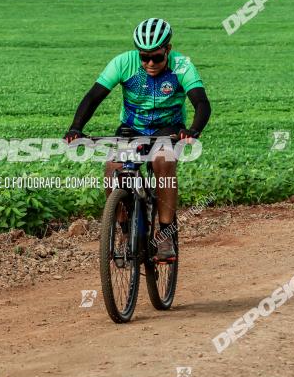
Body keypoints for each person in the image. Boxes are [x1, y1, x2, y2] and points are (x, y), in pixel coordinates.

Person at [64, 18, 211, 261]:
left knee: (163, 161)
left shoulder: (182, 66)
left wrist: (193, 130)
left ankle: (165, 236)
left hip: (168, 127)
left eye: (156, 57)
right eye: (144, 57)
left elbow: (202, 103)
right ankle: (124, 231)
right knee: (113, 168)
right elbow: (93, 97)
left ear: (168, 49)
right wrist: (76, 128)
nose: (150, 63)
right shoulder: (124, 63)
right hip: (132, 128)